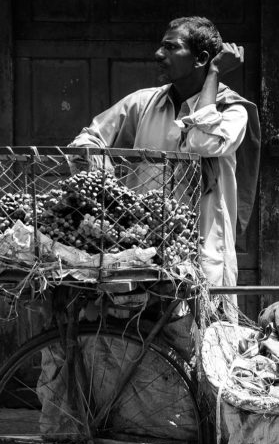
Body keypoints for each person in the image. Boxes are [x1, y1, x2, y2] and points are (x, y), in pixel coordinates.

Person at [70, 16, 261, 289]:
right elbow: (88, 138)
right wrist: (101, 171)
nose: (158, 54)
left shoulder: (231, 111)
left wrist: (214, 73)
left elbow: (200, 142)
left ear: (201, 59)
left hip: (202, 252)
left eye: (171, 47)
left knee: (201, 315)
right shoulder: (143, 103)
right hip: (140, 251)